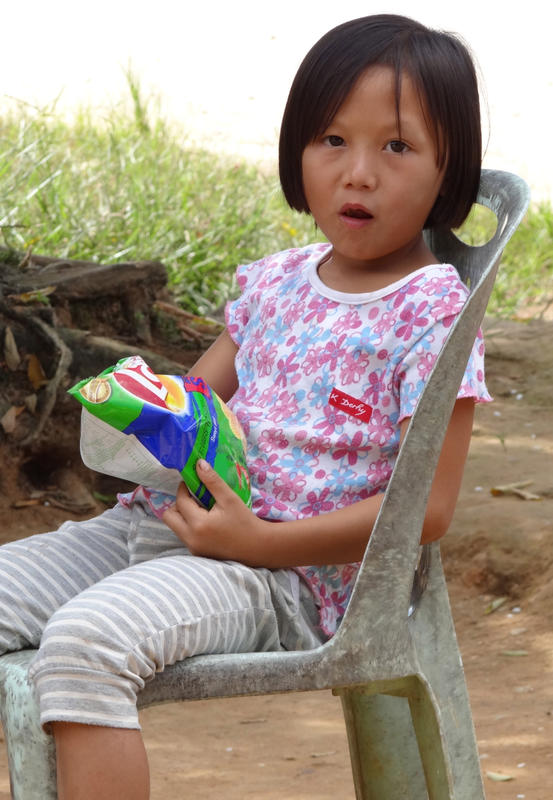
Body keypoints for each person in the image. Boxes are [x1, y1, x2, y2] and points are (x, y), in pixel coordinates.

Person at [0, 14, 491, 799]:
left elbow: (425, 510)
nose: (358, 173)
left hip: (282, 575)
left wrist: (259, 542)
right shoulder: (278, 281)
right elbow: (195, 401)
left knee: (85, 647)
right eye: (332, 139)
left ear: (449, 171)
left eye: (396, 147)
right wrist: (139, 413)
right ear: (297, 149)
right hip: (162, 524)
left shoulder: (430, 314)